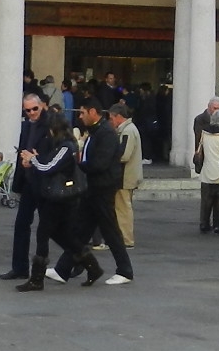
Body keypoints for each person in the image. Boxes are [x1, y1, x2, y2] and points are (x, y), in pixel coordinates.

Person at [19, 108, 99, 289]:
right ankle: (91, 265)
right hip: (61, 197)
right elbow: (49, 162)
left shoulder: (66, 146)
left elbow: (48, 167)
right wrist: (36, 159)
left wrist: (33, 160)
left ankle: (37, 278)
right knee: (63, 235)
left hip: (60, 198)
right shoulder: (63, 145)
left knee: (44, 234)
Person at [76, 103, 133, 285]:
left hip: (103, 187)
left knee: (110, 230)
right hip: (94, 188)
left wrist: (80, 165)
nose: (80, 116)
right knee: (81, 230)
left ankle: (125, 270)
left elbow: (100, 163)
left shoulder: (106, 133)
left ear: (93, 112)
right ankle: (65, 267)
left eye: (83, 112)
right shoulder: (96, 131)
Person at [0, 92, 46, 282]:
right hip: (28, 181)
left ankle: (74, 261)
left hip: (45, 181)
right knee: (21, 224)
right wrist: (17, 182)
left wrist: (36, 159)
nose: (32, 113)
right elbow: (22, 153)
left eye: (35, 109)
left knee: (53, 228)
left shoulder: (51, 125)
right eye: (28, 110)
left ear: (41, 106)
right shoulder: (26, 126)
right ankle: (19, 268)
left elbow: (56, 152)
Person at [108, 100, 143, 248]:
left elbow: (124, 155)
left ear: (118, 116)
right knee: (122, 208)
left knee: (123, 209)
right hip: (126, 175)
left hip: (124, 176)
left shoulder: (127, 131)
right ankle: (123, 238)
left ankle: (126, 239)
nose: (111, 121)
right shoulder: (128, 129)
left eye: (111, 118)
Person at [192, 108, 219, 234]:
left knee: (207, 199)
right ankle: (217, 224)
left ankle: (204, 223)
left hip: (207, 169)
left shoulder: (205, 133)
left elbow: (201, 149)